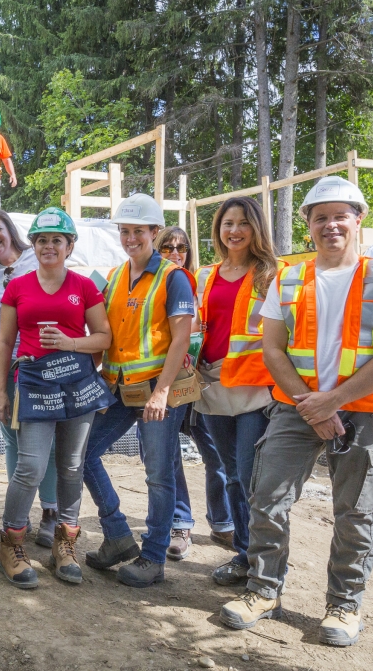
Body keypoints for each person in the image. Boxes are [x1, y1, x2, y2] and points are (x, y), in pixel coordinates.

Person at [220, 176, 373, 647]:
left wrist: (333, 402)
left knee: (355, 512)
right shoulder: (286, 278)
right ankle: (264, 591)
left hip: (363, 413)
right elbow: (273, 350)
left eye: (340, 215)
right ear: (307, 224)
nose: (331, 226)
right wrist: (313, 407)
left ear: (358, 219)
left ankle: (344, 604)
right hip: (295, 409)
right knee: (267, 497)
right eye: (320, 217)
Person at [81, 194, 197, 589]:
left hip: (155, 388)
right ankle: (116, 534)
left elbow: (181, 338)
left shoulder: (172, 276)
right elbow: (107, 336)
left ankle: (154, 556)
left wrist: (162, 393)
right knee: (82, 454)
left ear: (153, 232)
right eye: (125, 231)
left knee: (159, 474)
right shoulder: (114, 277)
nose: (131, 238)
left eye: (138, 231)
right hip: (117, 388)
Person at [0, 208, 113, 588]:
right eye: (41, 240)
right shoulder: (18, 286)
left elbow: (104, 337)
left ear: (69, 245)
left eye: (56, 240)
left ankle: (65, 544)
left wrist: (69, 343)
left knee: (72, 465)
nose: (48, 246)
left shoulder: (84, 286)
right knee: (29, 466)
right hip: (34, 385)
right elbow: (4, 341)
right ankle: (11, 543)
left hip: (76, 384)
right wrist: (0, 390)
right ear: (33, 244)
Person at [185, 200, 280, 587]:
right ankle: (244, 553)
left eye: (243, 223)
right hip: (212, 387)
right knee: (231, 476)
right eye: (228, 223)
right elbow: (196, 324)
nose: (235, 230)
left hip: (255, 390)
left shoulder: (273, 274)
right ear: (218, 229)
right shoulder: (205, 275)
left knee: (249, 475)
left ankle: (264, 563)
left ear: (256, 228)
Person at [0, 210, 60, 547]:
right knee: (11, 437)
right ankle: (18, 515)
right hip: (3, 363)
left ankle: (51, 512)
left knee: (46, 442)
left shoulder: (34, 259)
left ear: (10, 230)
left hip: (39, 361)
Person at [153, 226, 236, 560]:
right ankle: (180, 522)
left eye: (182, 247)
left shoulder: (202, 281)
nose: (176, 253)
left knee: (216, 452)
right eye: (167, 248)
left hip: (202, 381)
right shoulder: (152, 284)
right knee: (168, 455)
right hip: (165, 382)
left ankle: (224, 521)